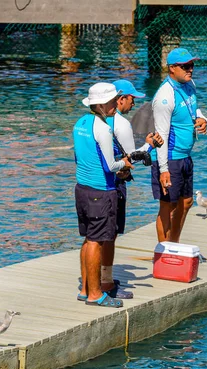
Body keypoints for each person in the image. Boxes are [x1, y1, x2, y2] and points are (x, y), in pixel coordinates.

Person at [101, 79, 164, 299]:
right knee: (110, 235)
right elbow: (131, 159)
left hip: (95, 182)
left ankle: (97, 279)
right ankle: (106, 282)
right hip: (114, 184)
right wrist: (149, 145)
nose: (134, 104)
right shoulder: (121, 124)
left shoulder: (94, 121)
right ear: (120, 99)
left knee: (95, 236)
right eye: (131, 99)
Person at [73, 83, 132, 307]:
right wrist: (125, 163)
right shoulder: (104, 128)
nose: (114, 104)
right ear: (99, 105)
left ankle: (85, 288)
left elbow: (79, 158)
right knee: (97, 242)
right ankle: (96, 294)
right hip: (101, 191)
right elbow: (110, 166)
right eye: (110, 101)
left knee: (89, 239)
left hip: (82, 189)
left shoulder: (80, 123)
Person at [152, 48, 207, 244]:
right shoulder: (164, 97)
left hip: (185, 155)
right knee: (168, 206)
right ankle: (164, 250)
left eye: (191, 65)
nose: (190, 70)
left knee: (186, 202)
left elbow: (193, 108)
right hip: (170, 157)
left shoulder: (189, 84)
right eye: (185, 66)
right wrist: (163, 169)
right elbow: (161, 135)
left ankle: (174, 244)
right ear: (172, 68)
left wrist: (202, 118)